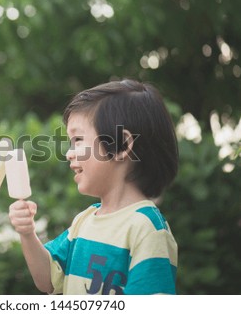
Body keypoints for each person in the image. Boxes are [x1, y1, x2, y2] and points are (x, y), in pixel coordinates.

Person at [9, 79, 179, 295]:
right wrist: (27, 233)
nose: (69, 153)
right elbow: (48, 281)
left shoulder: (147, 229)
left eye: (78, 139)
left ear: (122, 145)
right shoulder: (85, 220)